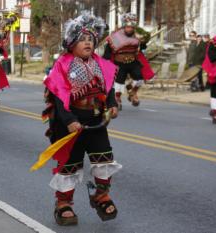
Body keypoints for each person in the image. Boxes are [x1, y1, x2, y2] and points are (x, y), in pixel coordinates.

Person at [41, 11, 122, 226]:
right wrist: (69, 120)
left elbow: (109, 89)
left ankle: (101, 196)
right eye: (82, 39)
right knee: (69, 165)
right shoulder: (63, 65)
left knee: (104, 159)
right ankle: (63, 204)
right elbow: (58, 97)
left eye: (91, 39)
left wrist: (112, 105)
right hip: (70, 124)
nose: (87, 42)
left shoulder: (101, 64)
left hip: (96, 121)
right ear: (71, 43)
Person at [103, 13, 154, 110]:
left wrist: (143, 42)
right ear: (124, 26)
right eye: (127, 27)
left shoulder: (137, 35)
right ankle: (117, 99)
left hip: (133, 61)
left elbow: (141, 47)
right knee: (118, 83)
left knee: (139, 78)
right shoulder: (116, 36)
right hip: (119, 63)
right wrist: (107, 61)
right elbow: (108, 51)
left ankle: (132, 92)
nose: (129, 29)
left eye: (131, 27)